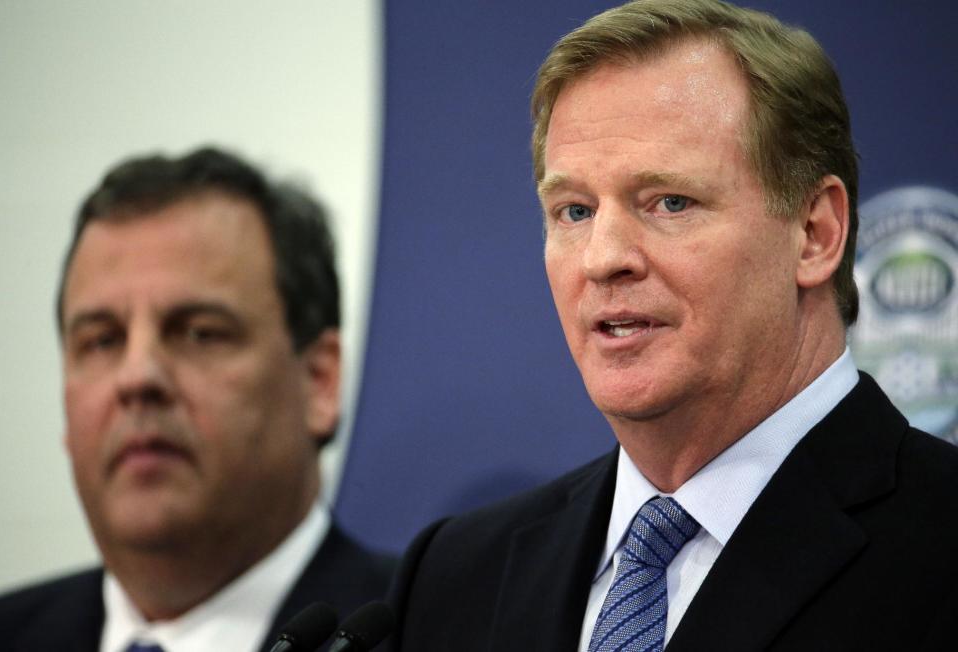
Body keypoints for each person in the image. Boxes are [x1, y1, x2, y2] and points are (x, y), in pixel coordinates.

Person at [387, 1, 958, 650]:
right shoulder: (457, 577)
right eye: (574, 211)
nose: (603, 258)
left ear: (814, 233)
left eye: (670, 202)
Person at [0, 147, 394, 652]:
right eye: (101, 340)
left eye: (201, 333)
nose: (137, 378)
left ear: (318, 381)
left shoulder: (440, 630)